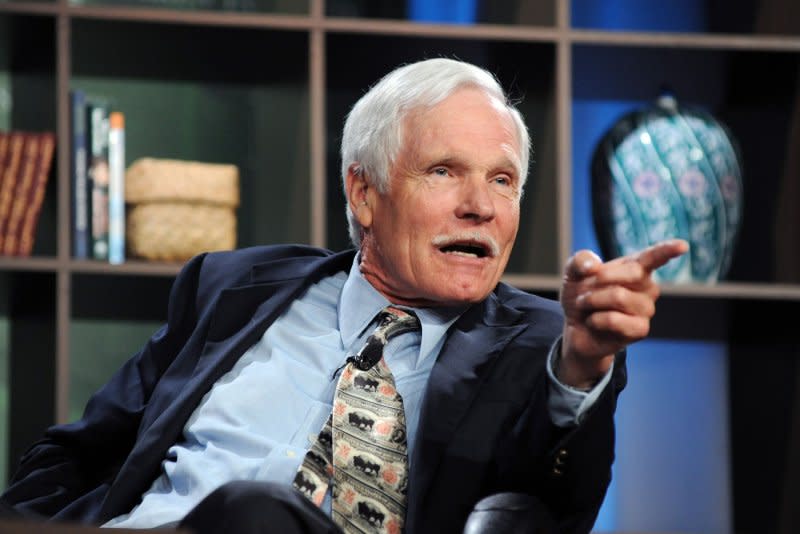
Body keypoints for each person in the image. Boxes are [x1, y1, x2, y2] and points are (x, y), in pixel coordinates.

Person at [0, 58, 687, 533]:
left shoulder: (544, 346)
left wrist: (582, 367)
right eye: (444, 171)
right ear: (364, 192)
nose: (481, 205)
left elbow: (554, 507)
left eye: (503, 180)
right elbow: (74, 459)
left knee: (253, 516)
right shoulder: (232, 288)